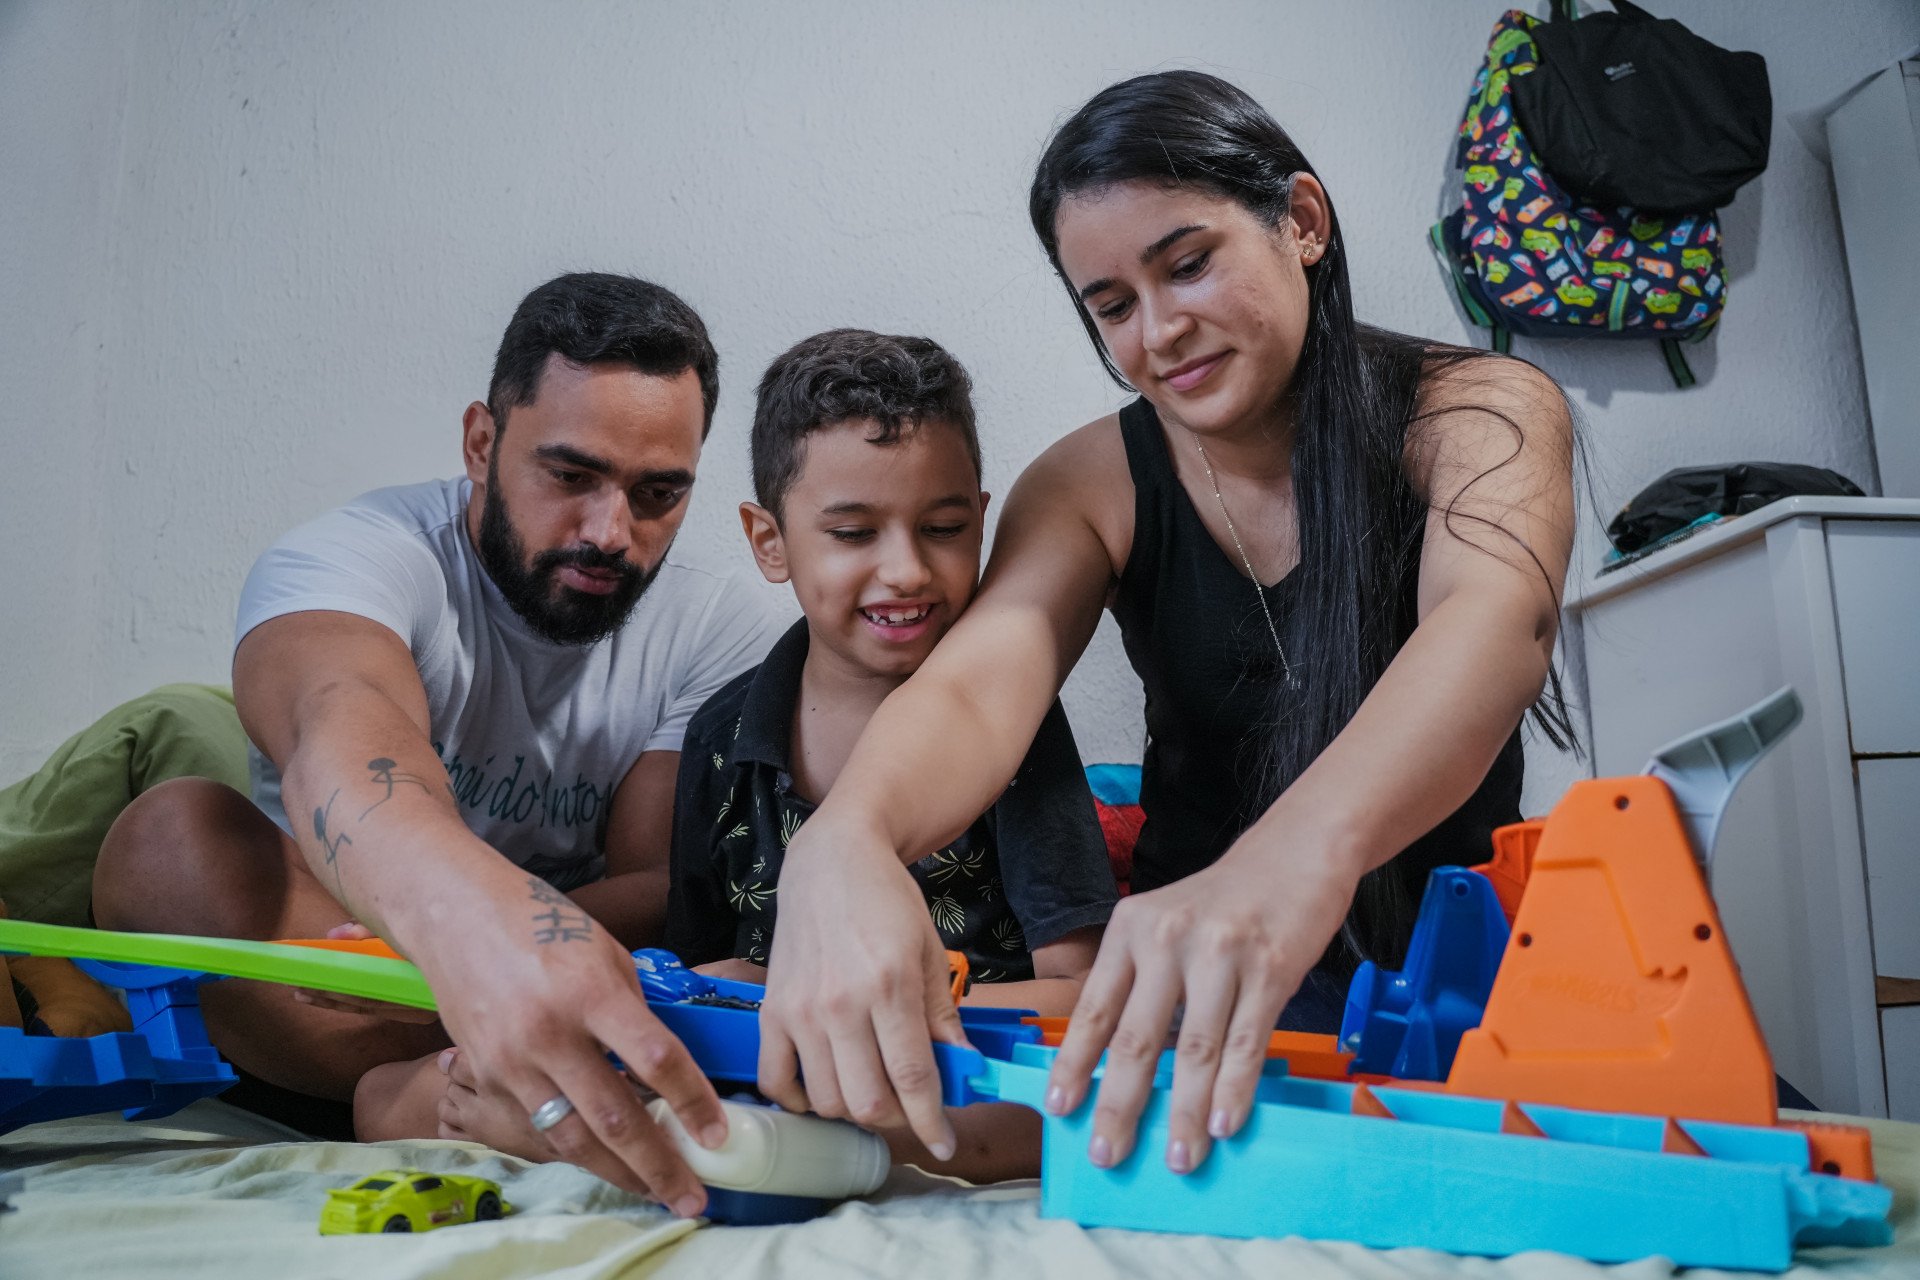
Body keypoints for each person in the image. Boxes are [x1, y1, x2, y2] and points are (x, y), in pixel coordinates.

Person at [750, 70, 1576, 1177]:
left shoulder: (1478, 411)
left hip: (1468, 983)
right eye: (1112, 305)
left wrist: (1284, 861)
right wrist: (843, 840)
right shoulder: (1090, 480)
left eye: (1188, 263)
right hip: (1207, 998)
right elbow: (976, 685)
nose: (1161, 328)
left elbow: (1494, 623)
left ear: (1303, 222)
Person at [91, 272, 785, 1216]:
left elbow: (657, 889)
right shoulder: (352, 558)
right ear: (481, 442)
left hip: (570, 970)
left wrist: (508, 958)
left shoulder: (717, 623)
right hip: (353, 956)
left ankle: (433, 1094)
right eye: (571, 476)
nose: (609, 533)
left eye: (658, 494)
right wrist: (455, 940)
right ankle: (468, 1089)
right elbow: (342, 736)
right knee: (169, 843)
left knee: (709, 936)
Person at [415, 329, 1117, 1180]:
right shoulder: (718, 733)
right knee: (399, 1092)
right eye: (853, 533)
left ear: (981, 516)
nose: (905, 570)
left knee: (1036, 1121)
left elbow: (1083, 1000)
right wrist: (735, 996)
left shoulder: (1011, 727)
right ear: (769, 540)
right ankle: (671, 1137)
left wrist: (857, 1000)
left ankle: (674, 1146)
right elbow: (698, 970)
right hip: (759, 1072)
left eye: (943, 526)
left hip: (951, 1075)